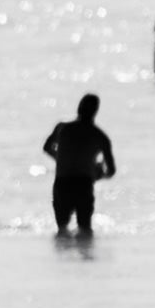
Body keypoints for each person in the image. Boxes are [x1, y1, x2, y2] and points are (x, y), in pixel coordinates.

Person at [42, 92, 115, 236]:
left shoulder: (62, 128)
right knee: (85, 229)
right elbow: (111, 171)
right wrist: (98, 173)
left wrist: (61, 159)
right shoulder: (100, 136)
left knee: (62, 230)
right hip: (84, 184)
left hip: (63, 183)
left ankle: (62, 251)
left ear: (79, 107)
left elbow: (47, 147)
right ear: (95, 111)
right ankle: (85, 249)